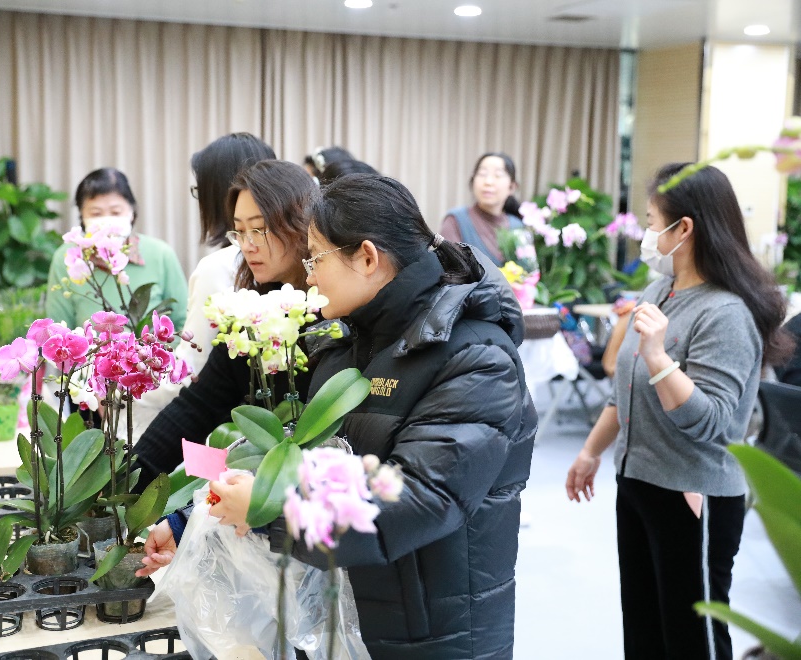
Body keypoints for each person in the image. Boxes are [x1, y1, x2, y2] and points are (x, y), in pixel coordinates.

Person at [143, 174, 537, 658]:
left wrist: (271, 512)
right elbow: (299, 459)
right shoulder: (348, 344)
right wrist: (199, 514)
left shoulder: (475, 357)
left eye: (316, 259)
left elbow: (419, 499)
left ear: (367, 257)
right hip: (348, 621)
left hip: (435, 635)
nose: (308, 276)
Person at [565, 163, 793, 660]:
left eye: (651, 222)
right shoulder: (659, 291)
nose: (646, 235)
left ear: (682, 228)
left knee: (693, 639)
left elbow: (711, 422)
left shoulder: (726, 312)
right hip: (638, 483)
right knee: (643, 629)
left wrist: (658, 357)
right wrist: (591, 452)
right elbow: (623, 389)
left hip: (693, 495)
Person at [129, 160, 317, 492]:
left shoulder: (331, 312)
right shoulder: (252, 313)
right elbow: (197, 406)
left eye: (259, 229)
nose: (247, 244)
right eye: (239, 231)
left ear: (299, 224)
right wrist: (124, 483)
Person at [129, 133, 276, 435]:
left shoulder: (218, 267)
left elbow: (190, 371)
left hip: (227, 428)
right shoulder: (287, 260)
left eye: (200, 191)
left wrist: (124, 388)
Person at [45, 167, 188, 330]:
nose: (107, 222)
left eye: (116, 212)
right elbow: (58, 330)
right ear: (82, 216)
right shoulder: (68, 258)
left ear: (131, 212)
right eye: (96, 213)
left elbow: (184, 323)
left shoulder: (161, 255)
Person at [440, 152, 524, 266]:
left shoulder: (517, 226)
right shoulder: (456, 220)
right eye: (482, 174)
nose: (488, 182)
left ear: (512, 187)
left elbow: (528, 271)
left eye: (498, 175)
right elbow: (449, 268)